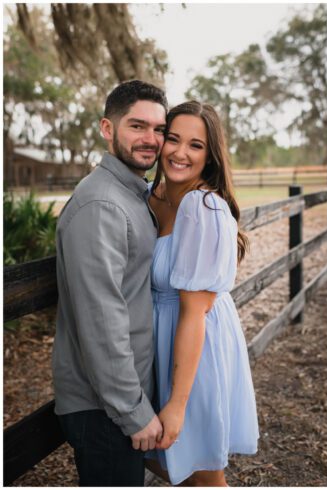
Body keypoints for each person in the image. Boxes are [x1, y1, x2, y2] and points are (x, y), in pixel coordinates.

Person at [53, 80, 168, 486]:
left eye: (159, 129)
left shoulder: (132, 194)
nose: (150, 140)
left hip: (119, 403)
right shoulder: (102, 205)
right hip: (105, 411)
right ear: (107, 128)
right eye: (137, 126)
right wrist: (133, 412)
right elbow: (102, 320)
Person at [143, 101, 259, 486]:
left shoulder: (203, 206)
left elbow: (194, 313)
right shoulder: (151, 195)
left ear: (209, 156)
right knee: (167, 463)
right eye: (173, 139)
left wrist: (177, 404)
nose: (179, 152)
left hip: (196, 345)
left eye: (195, 145)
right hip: (162, 339)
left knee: (201, 477)